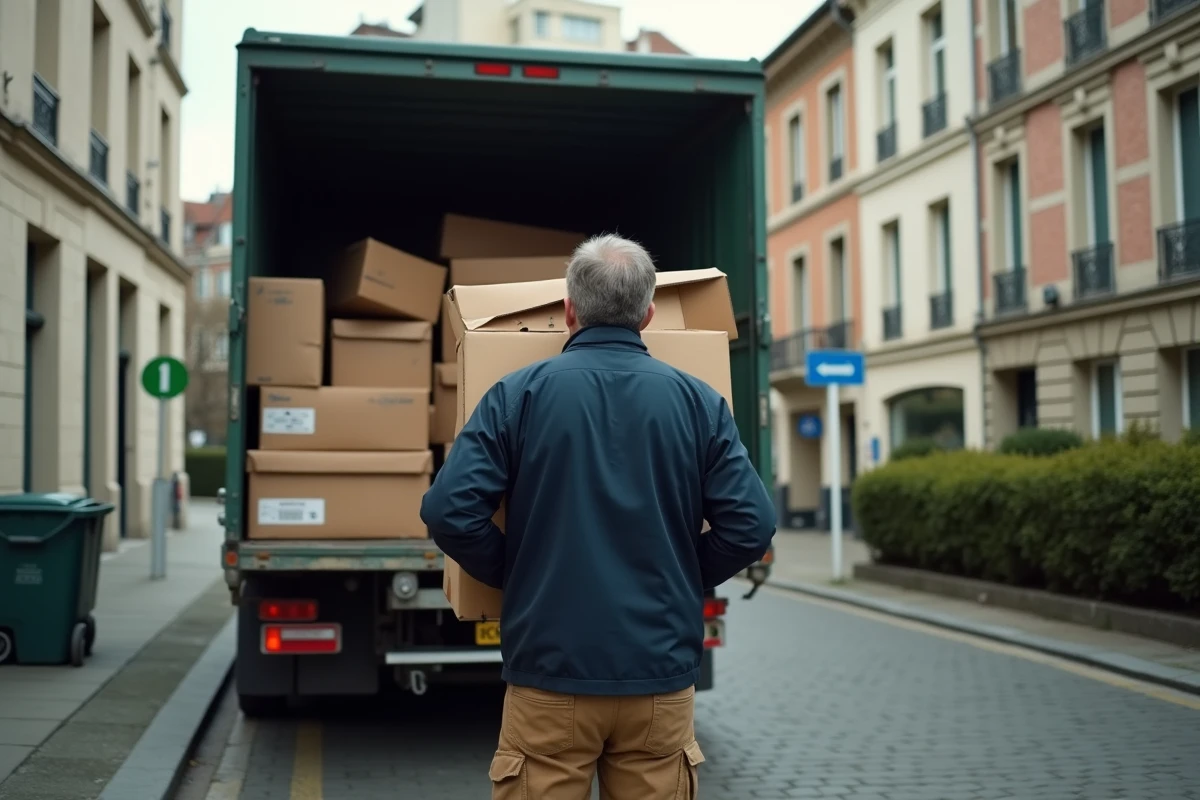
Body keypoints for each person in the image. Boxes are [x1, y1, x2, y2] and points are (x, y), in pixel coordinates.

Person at [420, 233, 777, 800]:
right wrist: (685, 574)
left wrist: (515, 570)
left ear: (569, 310)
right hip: (658, 680)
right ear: (649, 313)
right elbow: (752, 525)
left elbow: (447, 510)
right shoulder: (699, 402)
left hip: (549, 674)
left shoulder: (517, 395)